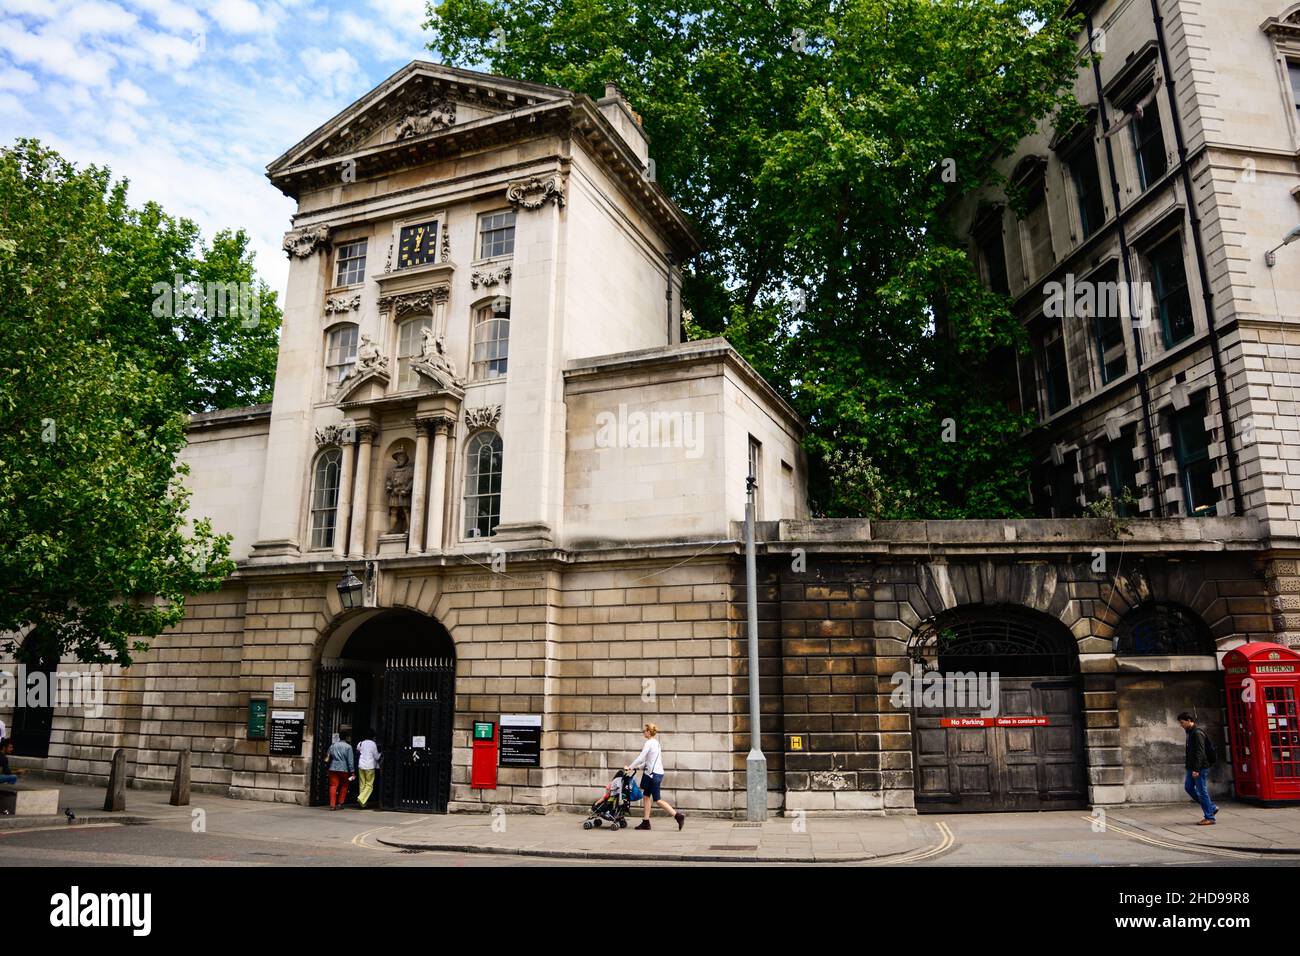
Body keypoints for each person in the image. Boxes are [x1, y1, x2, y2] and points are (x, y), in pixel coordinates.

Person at [624, 723, 685, 831]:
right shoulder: (656, 743)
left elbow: (641, 757)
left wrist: (630, 767)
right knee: (646, 796)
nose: (643, 732)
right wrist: (636, 768)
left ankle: (677, 816)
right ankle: (646, 822)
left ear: (648, 732)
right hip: (652, 773)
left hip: (653, 775)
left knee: (657, 800)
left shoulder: (649, 743)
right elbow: (649, 761)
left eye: (644, 730)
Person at [1178, 712, 1219, 826]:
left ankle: (1210, 817)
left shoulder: (1197, 733)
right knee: (1188, 787)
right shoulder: (1190, 732)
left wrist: (1196, 769)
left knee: (1202, 792)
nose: (1181, 725)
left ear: (1189, 720)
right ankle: (1211, 807)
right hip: (1192, 767)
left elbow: (1200, 752)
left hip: (1200, 767)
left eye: (1182, 722)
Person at [324, 730, 356, 810]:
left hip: (333, 767)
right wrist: (352, 771)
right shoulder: (348, 747)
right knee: (344, 785)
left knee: (333, 786)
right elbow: (350, 761)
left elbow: (328, 756)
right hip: (343, 769)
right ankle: (340, 803)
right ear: (347, 738)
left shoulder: (333, 745)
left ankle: (332, 805)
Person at [356, 732, 381, 809]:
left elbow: (358, 750)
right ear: (373, 737)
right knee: (369, 785)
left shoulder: (360, 743)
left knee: (362, 784)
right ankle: (361, 798)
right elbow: (376, 757)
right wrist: (381, 754)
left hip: (361, 766)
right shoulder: (373, 744)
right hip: (369, 766)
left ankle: (363, 804)